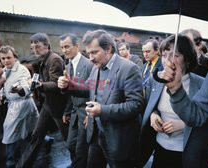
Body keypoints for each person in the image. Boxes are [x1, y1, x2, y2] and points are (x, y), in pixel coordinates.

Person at [58, 29, 144, 168]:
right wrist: (69, 85)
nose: (90, 58)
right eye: (88, 53)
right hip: (96, 135)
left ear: (108, 48)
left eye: (94, 52)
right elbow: (88, 88)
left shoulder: (129, 69)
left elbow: (136, 105)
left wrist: (102, 110)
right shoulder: (96, 67)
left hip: (118, 139)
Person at [159, 10, 208, 168]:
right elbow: (198, 115)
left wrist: (182, 125)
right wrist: (176, 89)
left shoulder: (202, 79)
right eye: (164, 54)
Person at [139, 35, 208, 168]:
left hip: (187, 153)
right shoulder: (155, 79)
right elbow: (149, 105)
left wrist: (184, 124)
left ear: (187, 59)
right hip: (159, 147)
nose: (167, 61)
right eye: (164, 55)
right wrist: (153, 115)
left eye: (175, 55)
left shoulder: (202, 84)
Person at [17, 33, 70, 168]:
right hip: (48, 104)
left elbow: (56, 84)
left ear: (46, 45)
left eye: (38, 45)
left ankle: (79, 162)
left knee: (69, 139)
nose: (34, 47)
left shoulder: (54, 60)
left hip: (59, 106)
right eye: (32, 45)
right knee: (37, 135)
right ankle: (23, 165)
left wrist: (40, 85)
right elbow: (37, 79)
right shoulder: (41, 59)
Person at [0, 45, 39, 168]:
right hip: (14, 105)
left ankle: (10, 162)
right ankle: (46, 142)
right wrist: (1, 95)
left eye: (8, 58)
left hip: (22, 103)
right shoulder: (5, 70)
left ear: (15, 57)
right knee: (30, 130)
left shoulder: (22, 70)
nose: (6, 61)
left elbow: (27, 86)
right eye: (3, 58)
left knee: (9, 130)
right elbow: (5, 86)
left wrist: (20, 90)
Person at [59, 33, 93, 168]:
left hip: (86, 113)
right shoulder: (67, 67)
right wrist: (66, 111)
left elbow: (93, 91)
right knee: (70, 145)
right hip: (74, 113)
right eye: (62, 47)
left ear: (77, 46)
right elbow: (70, 94)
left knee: (82, 149)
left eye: (67, 46)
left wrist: (90, 114)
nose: (64, 50)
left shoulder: (89, 65)